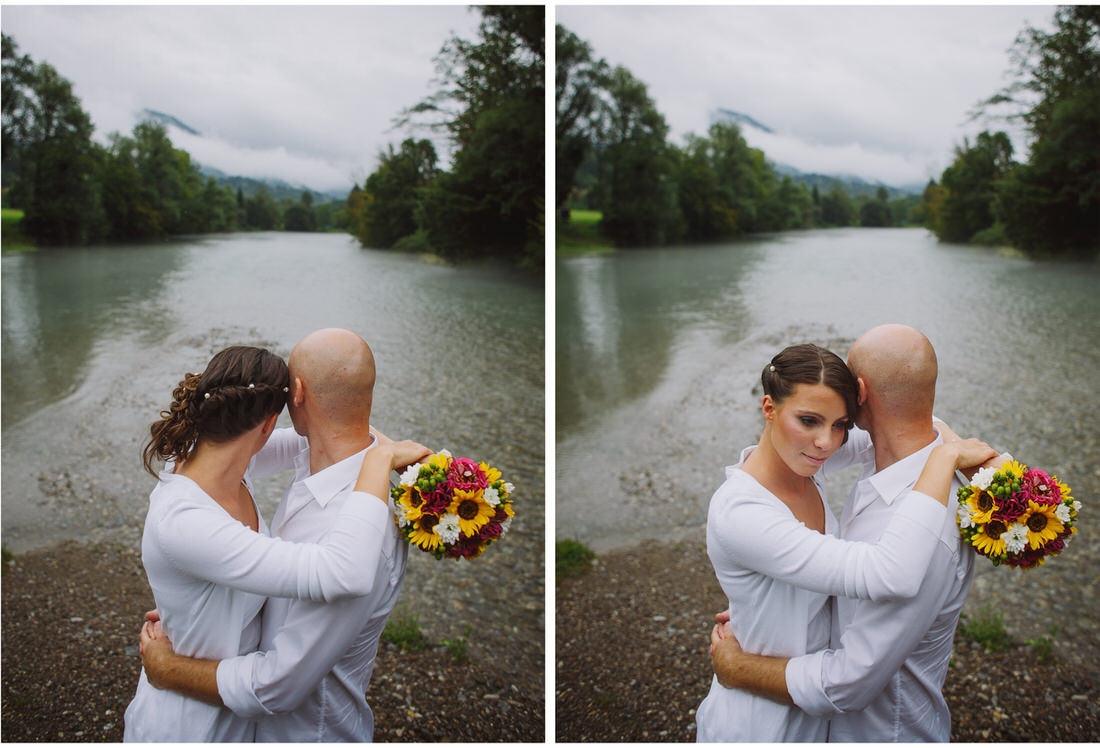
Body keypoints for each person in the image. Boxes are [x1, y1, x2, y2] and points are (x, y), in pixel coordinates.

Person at [123, 344, 429, 742]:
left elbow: (335, 430)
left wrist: (438, 475)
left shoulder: (219, 461)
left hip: (235, 714)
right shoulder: (186, 520)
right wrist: (381, 459)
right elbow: (347, 572)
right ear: (269, 422)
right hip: (191, 725)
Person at [709, 324, 1001, 741]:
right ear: (769, 407)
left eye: (840, 424)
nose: (826, 442)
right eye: (808, 420)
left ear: (858, 394)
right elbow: (915, 419)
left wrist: (987, 474)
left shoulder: (815, 465)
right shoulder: (763, 498)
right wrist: (761, 606)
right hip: (764, 727)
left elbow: (915, 418)